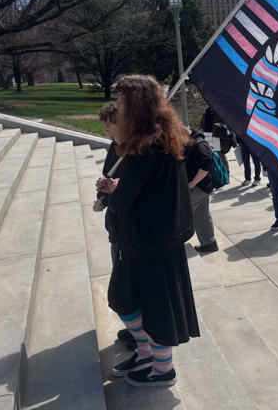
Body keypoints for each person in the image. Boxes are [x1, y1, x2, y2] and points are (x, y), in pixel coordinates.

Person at [97, 74, 199, 388]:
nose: (119, 107)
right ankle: (146, 354)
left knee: (140, 302)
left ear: (136, 107)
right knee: (142, 301)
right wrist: (116, 188)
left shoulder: (144, 150)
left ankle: (162, 368)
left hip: (147, 242)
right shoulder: (159, 139)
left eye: (123, 102)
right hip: (157, 239)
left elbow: (122, 202)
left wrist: (111, 192)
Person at [93, 102, 136, 352]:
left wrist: (111, 194)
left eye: (111, 121)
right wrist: (103, 197)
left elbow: (127, 187)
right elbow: (110, 178)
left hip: (129, 227)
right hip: (116, 222)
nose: (106, 126)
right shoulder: (115, 147)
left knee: (126, 280)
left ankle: (138, 331)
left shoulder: (134, 152)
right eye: (104, 122)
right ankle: (133, 328)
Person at [186, 129, 217, 254]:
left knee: (182, 213)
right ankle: (209, 243)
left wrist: (192, 183)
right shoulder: (198, 143)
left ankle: (172, 242)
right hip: (203, 187)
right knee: (202, 215)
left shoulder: (199, 145)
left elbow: (207, 165)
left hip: (198, 188)